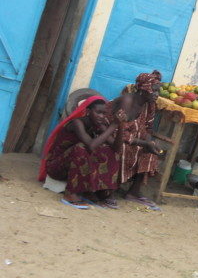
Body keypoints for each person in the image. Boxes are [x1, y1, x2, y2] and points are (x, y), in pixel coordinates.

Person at [40, 96, 124, 209]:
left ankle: (100, 193)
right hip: (56, 167)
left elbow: (116, 148)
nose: (101, 117)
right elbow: (91, 145)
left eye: (104, 114)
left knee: (108, 151)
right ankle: (71, 196)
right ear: (88, 112)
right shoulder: (77, 123)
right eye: (98, 113)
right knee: (81, 148)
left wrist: (120, 125)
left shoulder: (99, 125)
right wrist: (113, 126)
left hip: (74, 165)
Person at [107, 70, 163, 210]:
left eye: (158, 91)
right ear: (144, 89)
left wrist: (150, 143)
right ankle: (109, 190)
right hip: (109, 134)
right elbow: (117, 130)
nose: (157, 95)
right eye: (154, 91)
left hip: (132, 137)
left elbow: (148, 128)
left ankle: (133, 193)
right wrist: (144, 143)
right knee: (122, 149)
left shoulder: (150, 104)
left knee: (150, 152)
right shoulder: (127, 101)